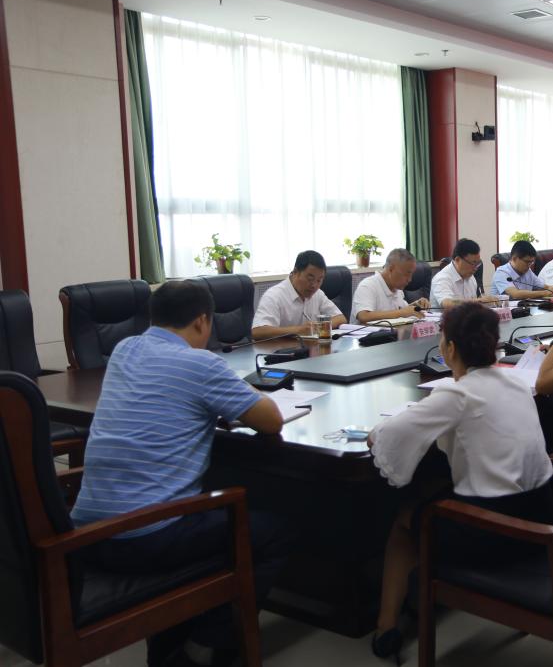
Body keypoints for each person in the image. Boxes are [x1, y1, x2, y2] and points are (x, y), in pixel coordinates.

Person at [71, 281, 291, 667]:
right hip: (146, 537)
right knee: (272, 531)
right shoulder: (201, 364)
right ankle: (206, 649)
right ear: (203, 321)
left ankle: (173, 644)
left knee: (205, 514)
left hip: (86, 533)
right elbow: (271, 420)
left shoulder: (124, 350)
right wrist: (243, 397)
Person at [367, 303, 553, 659]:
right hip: (541, 515)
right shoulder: (515, 382)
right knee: (432, 490)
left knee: (405, 521)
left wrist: (376, 432)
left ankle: (385, 627)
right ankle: (416, 596)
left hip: (494, 532)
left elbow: (385, 437)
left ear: (450, 348)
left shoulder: (457, 394)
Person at [252, 250, 347, 339]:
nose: (314, 285)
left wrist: (317, 327)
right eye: (310, 279)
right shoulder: (274, 296)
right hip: (283, 350)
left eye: (319, 280)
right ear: (295, 272)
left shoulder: (318, 294)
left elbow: (340, 318)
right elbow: (257, 331)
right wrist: (297, 330)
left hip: (311, 348)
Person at [351, 248, 430, 323]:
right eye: (407, 274)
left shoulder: (397, 289)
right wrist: (401, 312)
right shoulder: (368, 286)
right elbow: (363, 316)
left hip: (394, 332)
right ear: (391, 269)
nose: (410, 279)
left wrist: (415, 307)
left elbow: (400, 311)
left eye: (411, 274)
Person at [430, 238, 501, 308]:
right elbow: (447, 303)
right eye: (473, 263)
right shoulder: (442, 278)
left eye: (478, 263)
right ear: (457, 260)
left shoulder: (471, 277)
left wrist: (487, 301)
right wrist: (477, 301)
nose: (476, 268)